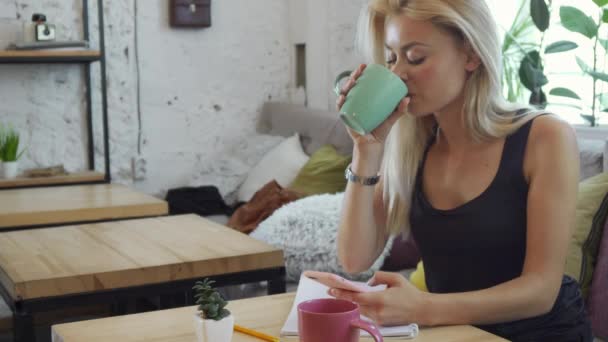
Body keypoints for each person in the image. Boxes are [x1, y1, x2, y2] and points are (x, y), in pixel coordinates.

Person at [333, 0, 592, 340]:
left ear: (471, 55)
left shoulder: (545, 137)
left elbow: (540, 291)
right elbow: (354, 259)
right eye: (392, 58)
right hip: (454, 334)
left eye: (415, 58)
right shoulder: (412, 147)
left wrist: (423, 307)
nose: (398, 74)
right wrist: (365, 150)